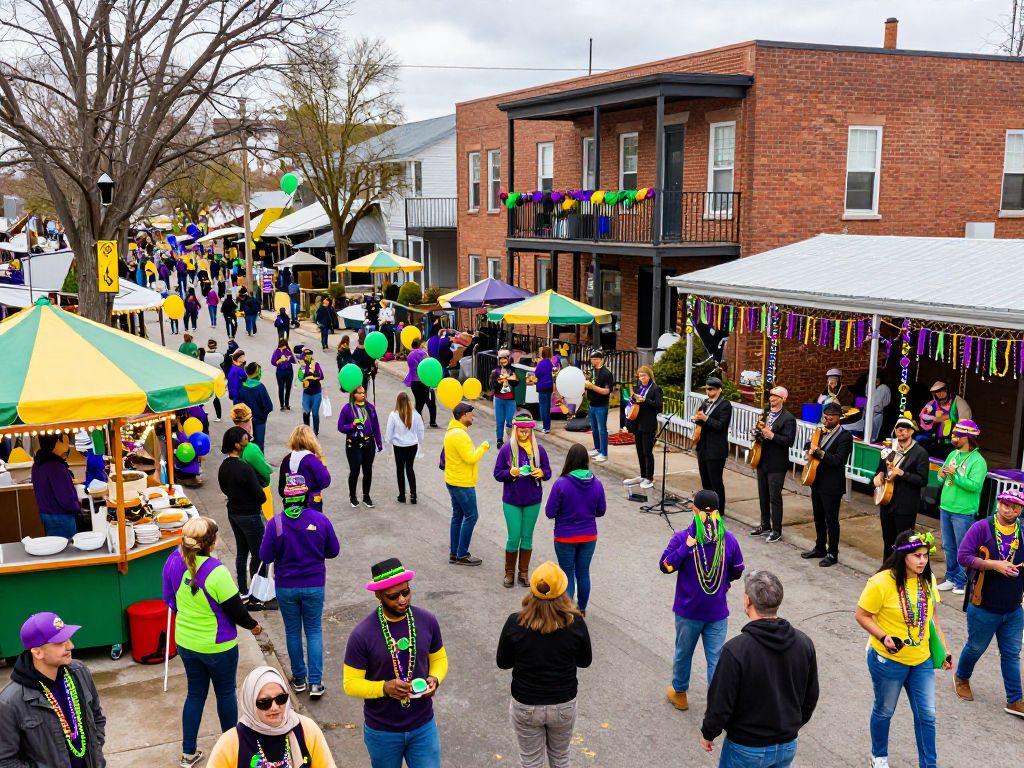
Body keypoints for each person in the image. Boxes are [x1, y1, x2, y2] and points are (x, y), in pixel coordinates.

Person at [163, 517, 263, 767]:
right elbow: (237, 611)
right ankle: (233, 751)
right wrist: (254, 626)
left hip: (186, 642)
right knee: (226, 693)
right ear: (211, 542)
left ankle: (188, 753)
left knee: (195, 694)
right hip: (218, 646)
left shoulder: (172, 561)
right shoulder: (217, 571)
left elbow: (170, 600)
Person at [699, 571, 818, 767]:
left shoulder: (736, 650)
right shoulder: (804, 643)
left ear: (748, 601)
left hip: (746, 746)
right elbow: (810, 696)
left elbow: (721, 702)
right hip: (787, 743)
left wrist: (709, 733)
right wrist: (791, 726)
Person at [855, 529, 952, 768]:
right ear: (902, 555)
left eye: (925, 555)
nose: (922, 561)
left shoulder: (928, 580)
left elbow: (933, 619)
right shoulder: (880, 582)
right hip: (889, 661)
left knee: (927, 716)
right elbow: (862, 615)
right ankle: (878, 757)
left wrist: (945, 650)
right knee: (885, 711)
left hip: (921, 660)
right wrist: (883, 636)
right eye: (917, 556)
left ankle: (928, 765)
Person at [343, 559, 448, 768]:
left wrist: (435, 678)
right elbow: (350, 684)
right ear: (378, 595)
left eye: (406, 592)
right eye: (393, 596)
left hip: (423, 725)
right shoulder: (362, 634)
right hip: (383, 731)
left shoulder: (427, 620)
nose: (402, 600)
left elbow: (439, 659)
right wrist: (384, 688)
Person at [496, 561, 592, 768]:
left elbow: (503, 663)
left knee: (531, 761)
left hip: (526, 703)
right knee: (561, 757)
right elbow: (585, 661)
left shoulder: (515, 622)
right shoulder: (575, 622)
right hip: (563, 703)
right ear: (563, 592)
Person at [660, 489, 745, 712]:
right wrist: (723, 583)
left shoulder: (683, 538)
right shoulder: (728, 539)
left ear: (693, 509)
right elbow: (738, 569)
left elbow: (665, 566)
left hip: (688, 611)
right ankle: (717, 704)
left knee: (683, 653)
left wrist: (685, 548)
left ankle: (680, 694)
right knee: (716, 659)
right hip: (717, 611)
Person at [259, 477, 340, 700]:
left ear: (285, 498)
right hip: (314, 585)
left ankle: (299, 679)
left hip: (286, 587)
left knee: (292, 631)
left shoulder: (275, 524)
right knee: (313, 630)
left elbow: (265, 556)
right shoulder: (320, 520)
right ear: (305, 497)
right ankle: (316, 683)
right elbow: (333, 551)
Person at [0, 612, 106, 767]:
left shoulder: (79, 671)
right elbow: (5, 761)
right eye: (60, 642)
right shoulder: (10, 702)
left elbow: (97, 717)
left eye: (68, 639)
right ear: (37, 652)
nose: (70, 646)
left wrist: (96, 756)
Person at [953, 488, 1024, 717]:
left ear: (1020, 510)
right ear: (997, 504)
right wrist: (993, 565)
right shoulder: (981, 527)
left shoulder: (1022, 531)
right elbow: (963, 557)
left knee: (1011, 654)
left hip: (1014, 608)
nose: (1010, 510)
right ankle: (961, 677)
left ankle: (1015, 700)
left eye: (1015, 507)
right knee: (975, 647)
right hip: (984, 605)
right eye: (1006, 505)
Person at [207, 666, 336, 768]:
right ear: (250, 703)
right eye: (265, 702)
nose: (274, 707)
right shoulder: (230, 743)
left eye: (281, 698)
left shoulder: (306, 729)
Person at [545, 444, 606, 615]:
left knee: (567, 574)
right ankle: (582, 610)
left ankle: (567, 612)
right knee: (583, 573)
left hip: (565, 537)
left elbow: (550, 512)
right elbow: (601, 511)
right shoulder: (597, 484)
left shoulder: (561, 484)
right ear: (586, 461)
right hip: (588, 536)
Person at [494, 411, 552, 588]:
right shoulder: (506, 449)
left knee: (527, 537)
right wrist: (510, 473)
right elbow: (497, 474)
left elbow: (548, 472)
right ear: (515, 430)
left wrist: (541, 473)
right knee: (514, 537)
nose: (524, 432)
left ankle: (523, 573)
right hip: (511, 500)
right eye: (521, 429)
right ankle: (509, 573)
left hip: (533, 500)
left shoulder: (539, 450)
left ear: (531, 430)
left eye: (527, 429)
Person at [217, 427, 269, 606]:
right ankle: (257, 594)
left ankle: (242, 590)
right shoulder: (244, 468)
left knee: (242, 552)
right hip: (250, 514)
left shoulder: (224, 466)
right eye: (245, 439)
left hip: (233, 512)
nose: (248, 442)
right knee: (259, 554)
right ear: (237, 444)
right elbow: (261, 496)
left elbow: (224, 489)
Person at [936, 419, 987, 595]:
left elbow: (975, 486)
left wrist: (956, 475)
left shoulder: (978, 461)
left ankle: (963, 581)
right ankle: (951, 577)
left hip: (963, 512)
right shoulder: (953, 454)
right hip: (946, 507)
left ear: (968, 438)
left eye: (958, 435)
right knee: (948, 546)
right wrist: (941, 474)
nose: (954, 438)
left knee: (963, 548)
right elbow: (940, 479)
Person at [800, 401, 854, 567]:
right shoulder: (820, 432)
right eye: (826, 416)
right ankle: (819, 547)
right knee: (818, 517)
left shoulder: (845, 436)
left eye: (831, 417)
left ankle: (832, 553)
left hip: (832, 484)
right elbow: (808, 446)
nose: (828, 419)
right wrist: (809, 445)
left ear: (839, 418)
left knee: (831, 520)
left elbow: (838, 460)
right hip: (816, 480)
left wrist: (819, 452)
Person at [874, 416, 930, 558]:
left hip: (905, 505)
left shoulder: (920, 453)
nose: (901, 432)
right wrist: (878, 476)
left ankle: (901, 569)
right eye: (899, 429)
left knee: (904, 543)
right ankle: (887, 568)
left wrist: (902, 473)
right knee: (887, 540)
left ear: (911, 432)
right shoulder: (889, 448)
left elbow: (922, 480)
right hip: (887, 502)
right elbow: (880, 469)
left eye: (905, 430)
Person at [444, 402, 490, 566]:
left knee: (458, 516)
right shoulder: (459, 435)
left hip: (453, 480)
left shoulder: (452, 431)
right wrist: (484, 446)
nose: (472, 417)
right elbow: (471, 458)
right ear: (463, 415)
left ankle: (454, 553)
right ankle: (462, 554)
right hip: (462, 483)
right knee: (471, 516)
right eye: (471, 414)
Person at [749, 386, 796, 543]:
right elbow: (760, 431)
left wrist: (772, 435)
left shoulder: (788, 418)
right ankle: (765, 525)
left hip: (777, 463)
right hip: (762, 459)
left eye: (776, 396)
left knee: (774, 497)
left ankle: (777, 530)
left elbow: (789, 441)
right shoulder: (766, 413)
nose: (772, 399)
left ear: (784, 399)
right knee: (763, 494)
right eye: (771, 396)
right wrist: (756, 434)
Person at [338, 384, 383, 508]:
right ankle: (352, 496)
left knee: (368, 470)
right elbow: (340, 427)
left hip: (369, 443)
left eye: (364, 392)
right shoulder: (347, 408)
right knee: (355, 470)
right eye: (359, 393)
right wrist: (352, 425)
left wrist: (379, 442)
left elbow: (376, 426)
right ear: (353, 394)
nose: (362, 395)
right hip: (354, 444)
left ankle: (366, 496)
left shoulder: (370, 408)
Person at [693, 377, 732, 516]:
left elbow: (721, 426)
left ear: (719, 389)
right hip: (703, 446)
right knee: (705, 480)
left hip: (716, 449)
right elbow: (702, 422)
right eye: (707, 389)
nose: (708, 392)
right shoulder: (705, 402)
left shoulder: (725, 405)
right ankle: (708, 507)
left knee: (716, 481)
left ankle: (719, 510)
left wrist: (706, 418)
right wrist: (697, 419)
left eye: (711, 389)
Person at [31, 432, 81, 537]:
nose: (68, 439)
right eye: (65, 435)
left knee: (55, 545)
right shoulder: (55, 466)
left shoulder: (38, 463)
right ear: (57, 441)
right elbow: (65, 497)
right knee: (67, 546)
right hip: (61, 517)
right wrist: (76, 506)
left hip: (47, 514)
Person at [624, 365, 663, 490]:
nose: (641, 378)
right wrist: (632, 400)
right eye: (640, 376)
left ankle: (649, 477)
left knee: (647, 451)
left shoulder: (655, 389)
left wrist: (645, 400)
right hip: (638, 422)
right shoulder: (640, 387)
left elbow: (659, 406)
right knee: (640, 451)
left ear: (649, 376)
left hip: (648, 423)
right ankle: (642, 475)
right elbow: (635, 403)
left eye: (644, 375)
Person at [279, 425, 332, 511]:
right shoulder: (312, 459)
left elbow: (281, 488)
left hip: (291, 505)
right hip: (311, 503)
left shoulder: (286, 459)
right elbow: (325, 481)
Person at [384, 391, 424, 505]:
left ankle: (402, 495)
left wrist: (388, 445)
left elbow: (389, 433)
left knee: (400, 470)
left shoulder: (393, 415)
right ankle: (413, 494)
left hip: (399, 446)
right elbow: (420, 429)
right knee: (410, 468)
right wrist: (420, 442)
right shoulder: (415, 414)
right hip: (412, 445)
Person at [918, 380, 972, 459]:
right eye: (937, 392)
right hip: (935, 442)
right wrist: (933, 418)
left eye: (942, 391)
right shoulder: (933, 404)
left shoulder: (958, 402)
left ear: (947, 390)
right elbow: (923, 415)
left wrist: (949, 417)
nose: (940, 394)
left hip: (952, 444)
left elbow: (965, 421)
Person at [584, 349, 615, 463]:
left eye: (596, 359)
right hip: (592, 404)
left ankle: (604, 453)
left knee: (602, 430)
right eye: (592, 359)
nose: (593, 361)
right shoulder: (593, 371)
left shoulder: (606, 373)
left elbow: (606, 391)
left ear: (602, 359)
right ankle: (597, 449)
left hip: (601, 405)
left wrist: (591, 386)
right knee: (594, 429)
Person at [236, 362, 274, 451]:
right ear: (257, 373)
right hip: (259, 421)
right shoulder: (260, 388)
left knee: (246, 445)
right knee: (259, 446)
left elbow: (237, 404)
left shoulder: (242, 387)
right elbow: (269, 406)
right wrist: (263, 414)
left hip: (245, 422)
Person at [849, 374, 891, 442]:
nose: (875, 380)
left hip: (877, 417)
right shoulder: (867, 386)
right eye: (873, 378)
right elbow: (861, 402)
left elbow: (878, 403)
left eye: (877, 378)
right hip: (864, 418)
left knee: (872, 437)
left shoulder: (883, 388)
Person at [405, 337, 437, 427]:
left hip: (413, 382)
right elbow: (429, 365)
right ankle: (430, 421)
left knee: (419, 401)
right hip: (423, 381)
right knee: (428, 401)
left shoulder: (409, 355)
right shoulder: (422, 353)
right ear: (419, 344)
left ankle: (418, 421)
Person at [490, 349, 519, 446]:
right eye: (501, 358)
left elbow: (517, 383)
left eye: (505, 358)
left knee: (510, 421)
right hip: (499, 399)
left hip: (510, 400)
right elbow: (491, 385)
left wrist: (509, 379)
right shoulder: (495, 371)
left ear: (508, 358)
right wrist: (499, 381)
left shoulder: (512, 370)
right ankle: (499, 440)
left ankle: (509, 439)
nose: (503, 360)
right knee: (500, 421)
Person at [298, 348, 325, 436]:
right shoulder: (302, 366)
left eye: (307, 356)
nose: (305, 358)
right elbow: (300, 378)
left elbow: (321, 376)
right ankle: (307, 431)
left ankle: (315, 432)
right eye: (304, 356)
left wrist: (313, 376)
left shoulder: (316, 365)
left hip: (316, 392)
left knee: (315, 413)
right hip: (307, 393)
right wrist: (303, 374)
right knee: (306, 412)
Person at [533, 346, 556, 433]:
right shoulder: (550, 363)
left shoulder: (541, 363)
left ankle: (544, 427)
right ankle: (547, 427)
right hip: (549, 386)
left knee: (542, 407)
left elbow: (537, 373)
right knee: (547, 407)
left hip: (542, 386)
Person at [271, 338, 297, 411]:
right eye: (282, 346)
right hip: (280, 372)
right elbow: (273, 362)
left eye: (284, 346)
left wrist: (290, 358)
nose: (283, 347)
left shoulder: (288, 350)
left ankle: (287, 403)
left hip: (289, 371)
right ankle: (282, 404)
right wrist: (280, 360)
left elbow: (294, 361)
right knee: (281, 388)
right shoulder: (276, 351)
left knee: (288, 388)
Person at [205, 340, 225, 422]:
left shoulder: (205, 355)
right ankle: (218, 416)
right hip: (217, 378)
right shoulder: (220, 355)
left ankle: (203, 412)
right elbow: (223, 364)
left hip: (208, 378)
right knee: (216, 398)